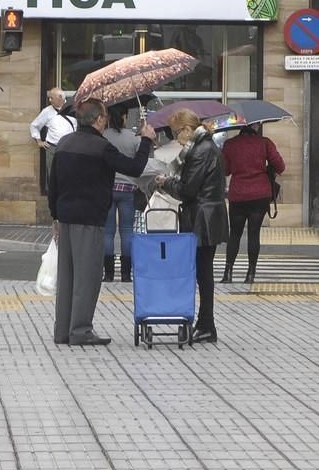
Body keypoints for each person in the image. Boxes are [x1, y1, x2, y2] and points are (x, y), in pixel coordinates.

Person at [49, 99, 155, 346]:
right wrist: (146, 140)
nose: (106, 120)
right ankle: (81, 330)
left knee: (67, 277)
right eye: (104, 116)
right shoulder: (100, 147)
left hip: (65, 217)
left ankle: (63, 330)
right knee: (87, 276)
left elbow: (52, 183)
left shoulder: (64, 144)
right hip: (89, 218)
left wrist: (54, 216)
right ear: (97, 119)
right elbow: (134, 168)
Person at [154, 109, 229, 343]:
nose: (176, 138)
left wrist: (166, 182)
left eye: (177, 133)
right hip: (207, 214)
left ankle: (206, 324)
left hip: (202, 217)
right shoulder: (204, 146)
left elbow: (188, 189)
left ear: (187, 129)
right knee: (203, 271)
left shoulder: (200, 151)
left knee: (203, 272)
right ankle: (206, 323)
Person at [221, 125, 285, 283]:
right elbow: (280, 166)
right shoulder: (264, 143)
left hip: (238, 194)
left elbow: (225, 170)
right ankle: (250, 275)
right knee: (254, 233)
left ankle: (227, 274)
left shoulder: (230, 144)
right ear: (256, 126)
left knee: (234, 234)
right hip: (260, 194)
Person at [102, 103, 143, 282]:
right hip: (128, 189)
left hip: (108, 189)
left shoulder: (103, 136)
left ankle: (108, 274)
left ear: (108, 118)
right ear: (125, 117)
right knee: (127, 231)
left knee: (108, 232)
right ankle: (126, 274)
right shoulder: (134, 138)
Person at [30, 87, 76, 186]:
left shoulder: (73, 109)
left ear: (60, 97)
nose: (49, 100)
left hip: (70, 148)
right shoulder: (47, 111)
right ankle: (52, 200)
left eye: (51, 97)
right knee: (52, 179)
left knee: (69, 177)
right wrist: (39, 141)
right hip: (53, 148)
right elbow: (34, 125)